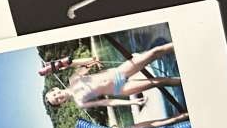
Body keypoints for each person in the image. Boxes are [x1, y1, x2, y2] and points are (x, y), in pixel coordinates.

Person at [46, 43, 179, 109]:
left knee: (155, 52)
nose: (58, 96)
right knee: (158, 82)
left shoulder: (73, 79)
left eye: (55, 94)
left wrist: (70, 62)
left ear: (56, 89)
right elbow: (107, 102)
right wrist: (131, 102)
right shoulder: (80, 103)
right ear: (61, 104)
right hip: (119, 89)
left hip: (118, 72)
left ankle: (177, 43)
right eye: (57, 100)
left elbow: (91, 62)